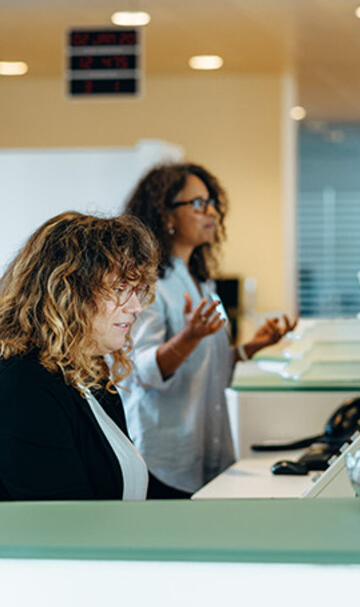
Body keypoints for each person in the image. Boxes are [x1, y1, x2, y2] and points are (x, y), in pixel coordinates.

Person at [0, 211, 172, 501]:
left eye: (137, 290)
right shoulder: (16, 388)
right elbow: (69, 522)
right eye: (119, 289)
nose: (137, 307)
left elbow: (135, 487)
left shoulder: (88, 373)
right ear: (67, 293)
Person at [118, 162, 297, 497]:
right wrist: (189, 336)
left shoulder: (200, 281)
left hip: (205, 448)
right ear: (166, 215)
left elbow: (206, 366)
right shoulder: (149, 284)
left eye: (213, 203)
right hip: (164, 457)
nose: (211, 212)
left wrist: (253, 347)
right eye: (198, 204)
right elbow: (142, 371)